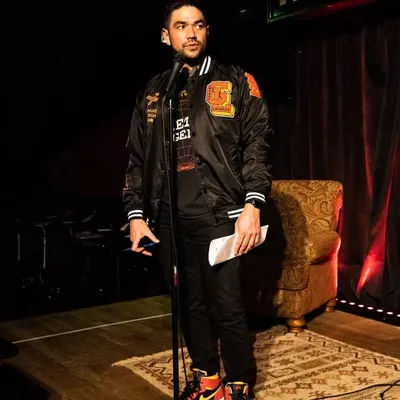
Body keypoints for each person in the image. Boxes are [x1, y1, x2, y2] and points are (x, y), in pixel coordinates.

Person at [123, 1, 272, 399]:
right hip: (169, 219)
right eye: (181, 26)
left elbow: (257, 146)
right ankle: (208, 379)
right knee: (188, 305)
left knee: (226, 304)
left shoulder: (236, 80)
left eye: (199, 25)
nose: (191, 33)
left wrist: (253, 205)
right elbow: (137, 158)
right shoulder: (153, 92)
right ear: (165, 35)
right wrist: (136, 215)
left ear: (207, 31)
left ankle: (239, 382)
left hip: (220, 213)